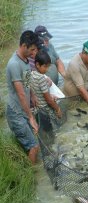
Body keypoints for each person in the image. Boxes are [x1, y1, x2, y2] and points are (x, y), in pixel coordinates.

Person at [5, 30, 40, 164]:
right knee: (34, 146)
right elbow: (20, 93)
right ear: (24, 46)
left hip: (23, 109)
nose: (33, 53)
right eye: (31, 50)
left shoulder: (25, 60)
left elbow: (27, 81)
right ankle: (31, 175)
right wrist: (31, 117)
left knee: (33, 140)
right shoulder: (14, 64)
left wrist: (33, 96)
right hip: (16, 113)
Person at [30, 50, 62, 131]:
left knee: (45, 130)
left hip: (38, 110)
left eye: (48, 66)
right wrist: (58, 109)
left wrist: (50, 94)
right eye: (45, 66)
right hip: (46, 111)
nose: (47, 69)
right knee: (56, 130)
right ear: (37, 64)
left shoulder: (32, 74)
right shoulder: (41, 78)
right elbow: (49, 101)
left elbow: (36, 90)